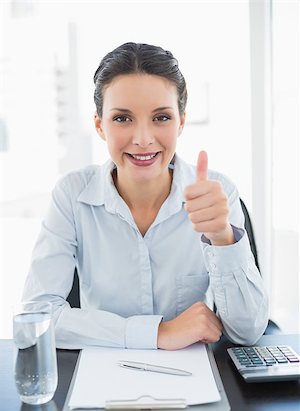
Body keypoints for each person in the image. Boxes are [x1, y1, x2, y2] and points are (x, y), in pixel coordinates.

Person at [22, 42, 269, 350]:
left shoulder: (218, 192)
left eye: (161, 117)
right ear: (100, 125)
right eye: (122, 118)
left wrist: (222, 238)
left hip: (193, 376)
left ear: (181, 122)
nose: (142, 139)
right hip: (103, 374)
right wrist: (157, 334)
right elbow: (36, 318)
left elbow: (249, 332)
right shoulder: (72, 196)